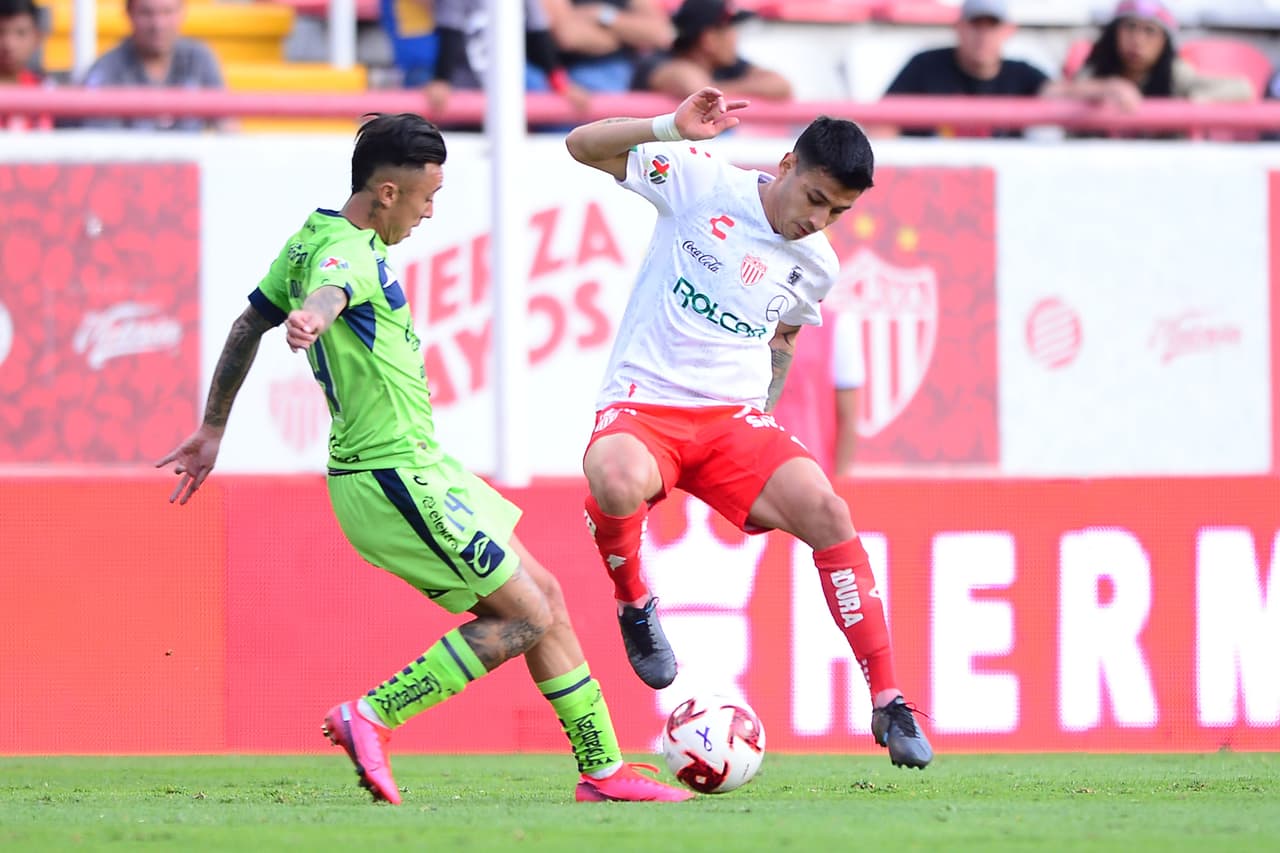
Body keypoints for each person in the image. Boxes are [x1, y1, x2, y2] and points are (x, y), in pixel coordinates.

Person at [156, 113, 692, 806]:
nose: (429, 213)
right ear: (385, 192)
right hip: (390, 476)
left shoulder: (309, 237)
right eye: (425, 198)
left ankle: (603, 769)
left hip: (422, 467)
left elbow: (245, 324)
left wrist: (212, 426)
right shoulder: (343, 252)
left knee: (545, 598)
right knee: (525, 615)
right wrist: (317, 316)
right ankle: (372, 715)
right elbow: (331, 290)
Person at [564, 88, 932, 769]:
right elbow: (581, 145)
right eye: (817, 198)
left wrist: (764, 406)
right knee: (614, 477)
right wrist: (666, 126)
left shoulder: (818, 263)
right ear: (789, 164)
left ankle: (889, 697)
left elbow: (782, 339)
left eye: (839, 212)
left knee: (828, 508)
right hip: (647, 405)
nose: (818, 220)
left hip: (732, 420)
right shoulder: (701, 179)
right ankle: (634, 601)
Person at [883, 0, 1142, 137]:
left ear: (1007, 31)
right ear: (960, 27)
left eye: (991, 25)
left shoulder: (1021, 73)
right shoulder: (924, 66)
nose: (983, 35)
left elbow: (1059, 91)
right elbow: (882, 125)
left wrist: (1109, 87)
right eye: (976, 25)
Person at [425, 0, 589, 118]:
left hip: (509, 85)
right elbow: (451, 32)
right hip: (461, 82)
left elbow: (538, 36)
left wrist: (561, 84)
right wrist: (442, 79)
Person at [80, 0, 225, 131]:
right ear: (129, 14)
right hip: (129, 159)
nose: (158, 25)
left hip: (190, 159)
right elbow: (101, 145)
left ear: (182, 12)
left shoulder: (199, 59)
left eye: (167, 12)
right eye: (147, 13)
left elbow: (227, 127)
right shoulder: (108, 69)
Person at [1075, 0, 1254, 104]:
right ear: (1113, 34)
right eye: (1130, 27)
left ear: (1165, 43)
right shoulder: (1095, 70)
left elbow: (1243, 88)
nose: (1137, 40)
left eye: (1150, 31)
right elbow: (1066, 91)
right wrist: (1105, 88)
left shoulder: (1175, 74)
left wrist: (1190, 102)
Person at [632, 0, 791, 102]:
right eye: (730, 30)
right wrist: (744, 89)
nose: (735, 37)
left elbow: (781, 85)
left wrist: (720, 89)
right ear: (709, 39)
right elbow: (694, 87)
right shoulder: (657, 61)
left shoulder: (728, 65)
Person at [770, 305, 863, 479]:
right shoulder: (740, 318)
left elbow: (848, 418)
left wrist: (837, 487)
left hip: (809, 475)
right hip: (746, 469)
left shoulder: (838, 325)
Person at [542, 0, 674, 93]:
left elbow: (663, 34)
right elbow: (569, 37)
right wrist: (629, 36)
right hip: (574, 72)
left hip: (631, 70)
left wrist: (602, 15)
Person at [0, 0, 51, 130]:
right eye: (1, 32)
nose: (9, 44)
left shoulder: (45, 89)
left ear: (37, 38)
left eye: (20, 33)